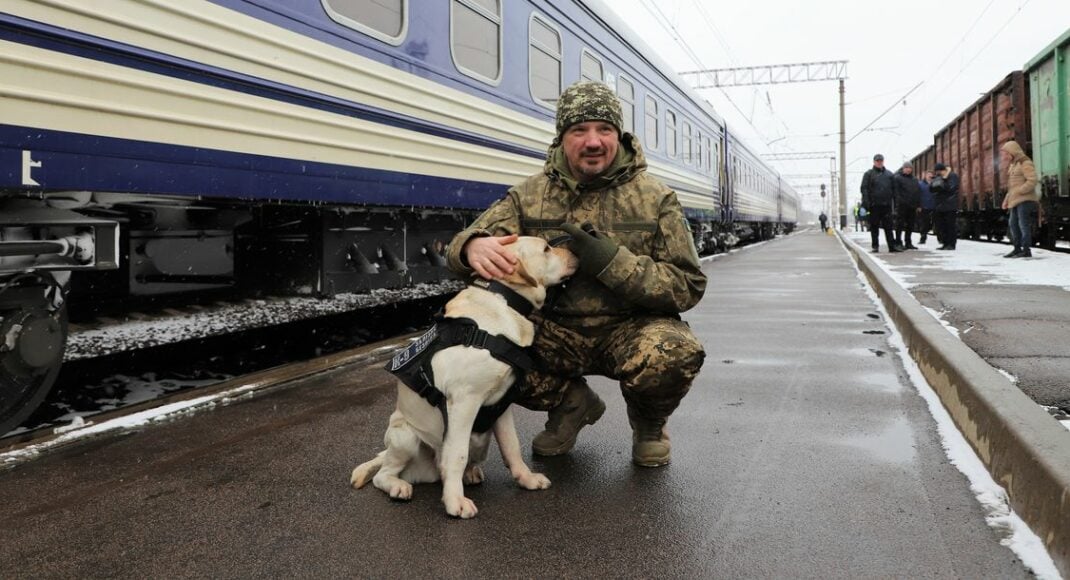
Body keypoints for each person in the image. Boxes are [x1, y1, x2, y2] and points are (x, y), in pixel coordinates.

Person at [446, 81, 706, 468]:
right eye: (578, 131)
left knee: (673, 353)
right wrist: (470, 247)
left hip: (630, 328)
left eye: (604, 129)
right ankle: (571, 405)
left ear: (618, 135)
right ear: (561, 138)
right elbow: (468, 244)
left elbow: (687, 285)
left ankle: (650, 425)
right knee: (484, 344)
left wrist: (610, 262)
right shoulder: (529, 196)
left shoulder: (656, 198)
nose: (593, 141)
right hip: (553, 332)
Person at [1000, 141, 1039, 258]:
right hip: (1015, 200)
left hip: (1026, 199)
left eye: (1006, 153)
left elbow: (1032, 180)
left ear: (1013, 152)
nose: (1004, 156)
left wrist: (1020, 191)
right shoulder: (1013, 164)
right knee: (1013, 224)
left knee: (1023, 224)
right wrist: (1006, 199)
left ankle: (1026, 250)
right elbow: (1012, 186)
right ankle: (1017, 248)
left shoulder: (1025, 162)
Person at [860, 153, 900, 253]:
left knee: (889, 227)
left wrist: (895, 204)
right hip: (874, 205)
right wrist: (866, 202)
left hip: (886, 205)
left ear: (883, 161)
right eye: (877, 161)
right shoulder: (868, 174)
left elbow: (894, 190)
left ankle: (891, 246)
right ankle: (875, 246)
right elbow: (864, 188)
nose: (879, 162)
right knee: (874, 226)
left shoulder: (889, 175)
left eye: (881, 161)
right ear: (874, 162)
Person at [931, 163, 960, 250]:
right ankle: (945, 243)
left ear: (943, 170)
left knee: (950, 226)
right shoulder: (939, 177)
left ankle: (951, 244)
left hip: (950, 205)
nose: (938, 173)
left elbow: (952, 188)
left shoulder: (952, 176)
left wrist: (942, 183)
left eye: (939, 171)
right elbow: (932, 188)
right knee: (942, 226)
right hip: (940, 206)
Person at [892, 161, 921, 249]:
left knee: (910, 225)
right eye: (906, 168)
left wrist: (918, 204)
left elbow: (917, 192)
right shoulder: (897, 178)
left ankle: (908, 242)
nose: (908, 169)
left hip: (912, 206)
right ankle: (898, 242)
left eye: (910, 168)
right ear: (903, 168)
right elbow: (896, 192)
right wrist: (898, 203)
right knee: (899, 225)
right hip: (902, 205)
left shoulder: (915, 180)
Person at [917, 170, 934, 245]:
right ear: (925, 176)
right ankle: (923, 238)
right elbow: (917, 195)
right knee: (924, 223)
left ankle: (940, 238)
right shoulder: (920, 184)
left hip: (934, 206)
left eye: (931, 175)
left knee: (937, 223)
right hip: (924, 206)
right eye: (928, 175)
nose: (930, 176)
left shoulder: (935, 183)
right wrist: (918, 205)